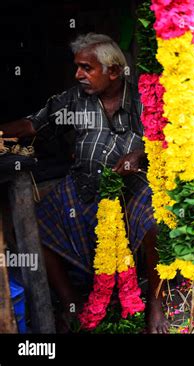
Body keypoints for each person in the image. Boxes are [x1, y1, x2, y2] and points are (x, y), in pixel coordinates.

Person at [1, 33, 169, 333]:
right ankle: (70, 301)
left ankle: (155, 305)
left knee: (155, 221)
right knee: (36, 223)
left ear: (114, 71)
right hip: (84, 184)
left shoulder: (144, 98)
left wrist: (140, 154)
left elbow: (166, 139)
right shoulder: (72, 100)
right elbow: (31, 124)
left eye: (86, 68)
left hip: (134, 186)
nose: (78, 74)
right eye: (77, 67)